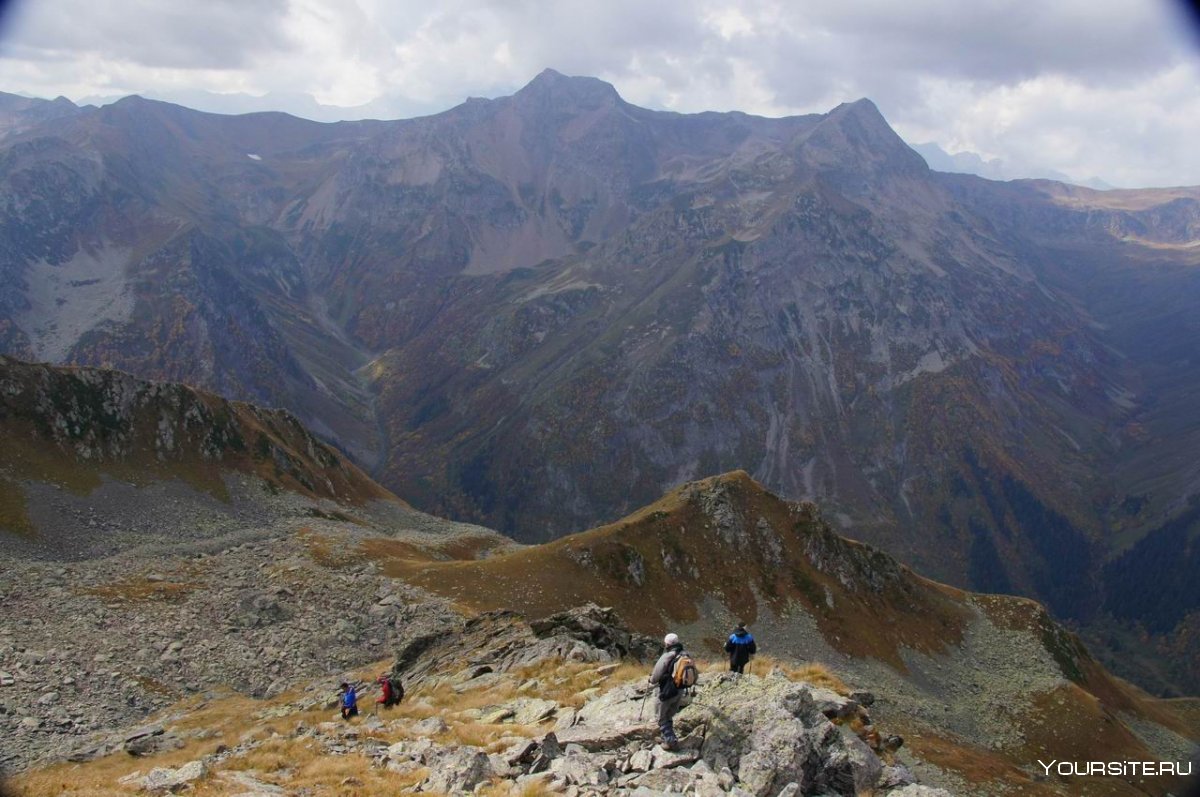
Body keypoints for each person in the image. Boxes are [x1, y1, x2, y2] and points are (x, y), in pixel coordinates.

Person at [648, 632, 687, 750]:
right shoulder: (685, 654)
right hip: (680, 690)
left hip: (667, 690)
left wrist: (651, 679)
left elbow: (655, 677)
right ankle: (666, 736)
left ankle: (671, 742)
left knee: (661, 717)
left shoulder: (667, 656)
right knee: (669, 714)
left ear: (667, 644)